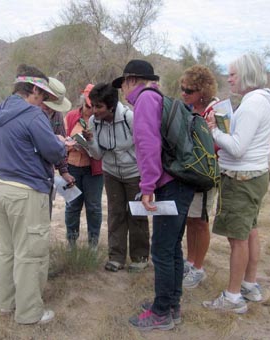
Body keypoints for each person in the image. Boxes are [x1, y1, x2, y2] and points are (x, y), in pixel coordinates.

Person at [112, 60, 195, 331]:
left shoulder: (146, 100)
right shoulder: (157, 97)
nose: (122, 89)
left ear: (132, 79)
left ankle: (161, 312)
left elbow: (148, 145)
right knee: (171, 249)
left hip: (169, 184)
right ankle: (171, 306)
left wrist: (147, 187)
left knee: (161, 250)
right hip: (180, 183)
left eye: (122, 82)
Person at [0, 64, 67, 324]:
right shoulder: (34, 116)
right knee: (30, 254)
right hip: (26, 192)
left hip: (0, 186)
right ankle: (29, 313)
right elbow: (54, 153)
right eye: (42, 95)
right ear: (33, 89)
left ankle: (7, 304)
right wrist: (59, 142)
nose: (43, 101)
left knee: (7, 250)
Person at [202, 53, 270, 313]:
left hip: (241, 178)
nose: (229, 79)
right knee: (249, 231)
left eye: (233, 74)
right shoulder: (264, 100)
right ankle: (249, 284)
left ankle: (232, 298)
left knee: (238, 239)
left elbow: (236, 147)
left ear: (246, 75)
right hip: (256, 175)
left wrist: (214, 131)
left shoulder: (252, 104)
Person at [82, 82, 150, 272]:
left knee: (137, 214)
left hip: (134, 173)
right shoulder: (93, 122)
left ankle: (140, 257)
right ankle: (116, 257)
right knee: (116, 214)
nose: (94, 110)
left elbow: (144, 147)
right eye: (93, 105)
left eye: (99, 106)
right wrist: (90, 142)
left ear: (111, 106)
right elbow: (97, 155)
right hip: (111, 173)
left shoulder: (130, 118)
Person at [179, 65, 219, 289]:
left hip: (205, 174)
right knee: (190, 219)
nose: (184, 93)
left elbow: (217, 144)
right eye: (182, 89)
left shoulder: (214, 112)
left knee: (201, 221)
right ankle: (190, 260)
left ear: (203, 90)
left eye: (190, 90)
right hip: (190, 174)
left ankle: (199, 268)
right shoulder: (189, 109)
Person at [64, 84, 103, 249]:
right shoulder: (71, 116)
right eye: (88, 105)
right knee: (72, 205)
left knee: (93, 207)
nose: (91, 109)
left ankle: (93, 245)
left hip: (94, 170)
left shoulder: (102, 119)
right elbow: (60, 141)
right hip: (72, 167)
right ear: (82, 103)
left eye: (94, 106)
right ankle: (71, 243)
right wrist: (72, 145)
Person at [40, 77, 75, 186]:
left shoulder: (57, 115)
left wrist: (64, 171)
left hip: (48, 172)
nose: (50, 109)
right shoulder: (29, 114)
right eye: (47, 106)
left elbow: (61, 145)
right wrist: (54, 139)